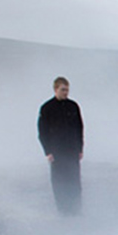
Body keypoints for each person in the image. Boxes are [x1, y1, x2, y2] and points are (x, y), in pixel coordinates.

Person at [36, 76, 86, 216]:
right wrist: (48, 151)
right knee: (59, 181)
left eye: (67, 90)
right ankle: (63, 210)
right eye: (63, 90)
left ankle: (76, 209)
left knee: (74, 180)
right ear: (55, 89)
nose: (66, 93)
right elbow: (42, 132)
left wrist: (80, 148)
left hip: (72, 150)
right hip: (56, 152)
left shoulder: (73, 106)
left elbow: (79, 128)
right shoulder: (47, 108)